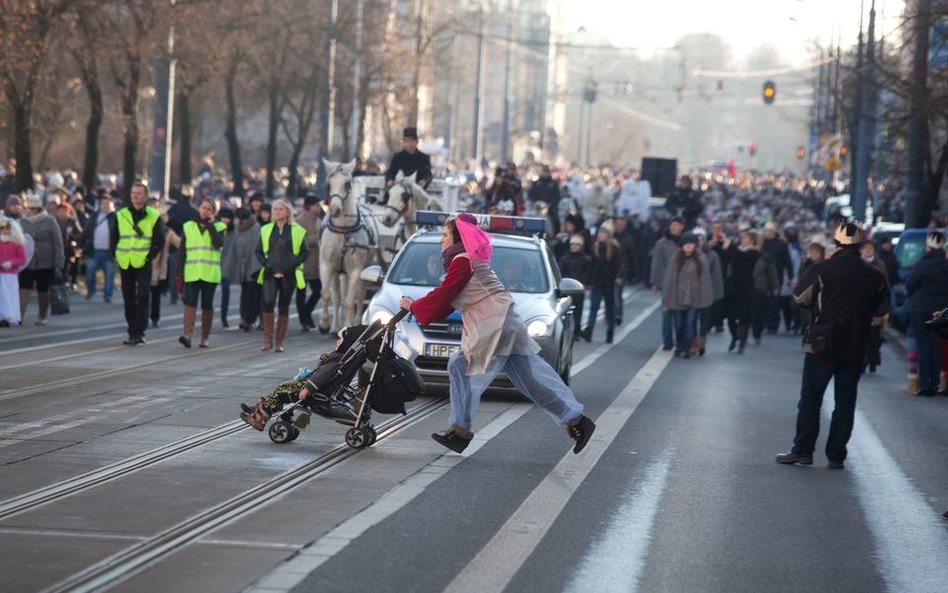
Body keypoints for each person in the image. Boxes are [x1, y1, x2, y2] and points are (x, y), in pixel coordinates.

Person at [399, 213, 595, 454]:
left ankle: (460, 430)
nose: (441, 240)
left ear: (457, 237)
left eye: (445, 234)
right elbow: (449, 300)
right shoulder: (467, 260)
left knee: (460, 366)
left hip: (496, 325)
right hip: (503, 323)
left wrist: (414, 307)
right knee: (531, 380)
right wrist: (421, 307)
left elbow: (443, 296)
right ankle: (576, 421)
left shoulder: (462, 261)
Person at [775, 223, 888, 469]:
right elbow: (883, 307)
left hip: (821, 341)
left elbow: (800, 297)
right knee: (845, 402)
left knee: (810, 399)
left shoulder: (822, 268)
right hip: (856, 342)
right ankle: (836, 455)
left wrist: (819, 308)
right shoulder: (874, 274)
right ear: (860, 245)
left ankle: (803, 450)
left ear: (836, 244)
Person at [113, 183, 165, 345]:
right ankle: (131, 331)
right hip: (125, 261)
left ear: (145, 197)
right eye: (133, 193)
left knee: (142, 296)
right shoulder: (121, 215)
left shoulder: (154, 216)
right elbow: (114, 237)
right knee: (128, 297)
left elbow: (159, 240)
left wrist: (150, 256)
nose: (135, 196)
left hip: (143, 262)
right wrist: (115, 253)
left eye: (139, 194)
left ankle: (141, 330)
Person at [256, 199, 308, 353]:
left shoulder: (296, 230)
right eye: (275, 209)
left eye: (280, 209)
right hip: (270, 273)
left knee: (284, 306)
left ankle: (279, 342)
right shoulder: (266, 229)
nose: (277, 212)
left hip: (289, 274)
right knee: (267, 302)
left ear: (287, 212)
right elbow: (258, 251)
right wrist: (265, 263)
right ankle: (267, 340)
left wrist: (292, 263)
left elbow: (305, 252)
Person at [176, 198, 225, 349]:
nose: (205, 211)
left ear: (214, 213)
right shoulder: (188, 226)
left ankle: (204, 337)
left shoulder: (220, 226)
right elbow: (182, 252)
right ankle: (187, 335)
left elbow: (218, 244)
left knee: (207, 305)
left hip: (210, 273)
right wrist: (179, 274)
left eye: (209, 209)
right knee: (190, 303)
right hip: (192, 272)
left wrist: (210, 225)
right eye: (203, 208)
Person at [905, 231, 948, 396]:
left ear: (928, 246)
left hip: (920, 310)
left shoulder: (922, 264)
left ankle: (925, 385)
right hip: (941, 312)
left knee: (923, 347)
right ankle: (935, 384)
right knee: (936, 347)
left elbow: (910, 286)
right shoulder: (946, 265)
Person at [662, 233, 713, 358]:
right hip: (677, 296)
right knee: (678, 324)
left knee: (690, 323)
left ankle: (687, 347)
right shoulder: (675, 259)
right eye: (686, 244)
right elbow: (669, 279)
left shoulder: (701, 260)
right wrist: (666, 297)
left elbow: (705, 281)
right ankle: (679, 345)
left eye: (691, 244)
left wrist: (705, 299)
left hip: (694, 297)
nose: (689, 246)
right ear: (682, 246)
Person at [19, 194, 64, 326]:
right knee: (24, 287)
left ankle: (42, 315)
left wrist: (59, 262)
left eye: (31, 208)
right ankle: (20, 315)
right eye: (27, 208)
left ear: (37, 209)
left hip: (46, 260)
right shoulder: (21, 222)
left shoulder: (49, 220)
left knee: (43, 289)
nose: (28, 211)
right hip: (28, 260)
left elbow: (57, 242)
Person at [583, 221, 623, 343]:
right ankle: (589, 331)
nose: (600, 235)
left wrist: (618, 277)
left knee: (609, 309)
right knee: (594, 307)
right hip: (597, 282)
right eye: (599, 232)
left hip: (609, 282)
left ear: (608, 235)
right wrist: (588, 282)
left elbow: (619, 265)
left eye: (603, 233)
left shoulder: (614, 248)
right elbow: (591, 266)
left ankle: (610, 332)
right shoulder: (594, 247)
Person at [650, 216, 685, 350]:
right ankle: (668, 341)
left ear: (682, 226)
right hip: (667, 283)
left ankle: (680, 340)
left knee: (679, 314)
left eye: (676, 225)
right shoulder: (662, 243)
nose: (674, 228)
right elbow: (657, 263)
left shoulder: (686, 242)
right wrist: (655, 282)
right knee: (666, 313)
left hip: (683, 283)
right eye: (672, 225)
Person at [149, 199, 180, 329]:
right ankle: (141, 318)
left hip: (157, 267)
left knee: (155, 294)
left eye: (156, 207)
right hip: (141, 265)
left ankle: (155, 318)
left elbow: (180, 243)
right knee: (141, 295)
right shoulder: (140, 225)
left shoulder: (166, 231)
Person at [860, 240, 889, 374]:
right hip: (860, 305)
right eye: (865, 248)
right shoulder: (858, 264)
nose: (867, 251)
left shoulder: (880, 265)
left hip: (875, 306)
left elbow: (885, 287)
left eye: (870, 248)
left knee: (873, 337)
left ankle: (871, 361)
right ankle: (864, 360)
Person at [295, 193, 322, 331]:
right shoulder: (299, 220)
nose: (319, 207)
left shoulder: (318, 220)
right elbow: (298, 240)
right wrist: (316, 239)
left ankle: (306, 313)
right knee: (301, 292)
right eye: (316, 205)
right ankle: (303, 320)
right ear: (309, 206)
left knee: (318, 291)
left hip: (316, 263)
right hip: (302, 263)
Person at [83, 194, 116, 303]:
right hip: (94, 251)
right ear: (100, 205)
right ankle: (90, 291)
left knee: (109, 276)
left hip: (110, 252)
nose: (105, 205)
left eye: (107, 203)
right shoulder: (94, 216)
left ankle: (107, 296)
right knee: (90, 272)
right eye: (103, 203)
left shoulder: (115, 217)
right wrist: (80, 245)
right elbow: (86, 232)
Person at [232, 207, 262, 332]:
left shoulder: (255, 228)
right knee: (245, 294)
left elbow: (256, 247)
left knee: (252, 294)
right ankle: (244, 318)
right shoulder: (237, 227)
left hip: (253, 266)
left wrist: (253, 266)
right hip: (243, 267)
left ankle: (248, 319)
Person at [559, 234, 592, 341]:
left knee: (578, 312)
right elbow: (560, 273)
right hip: (566, 289)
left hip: (579, 289)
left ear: (581, 246)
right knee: (566, 312)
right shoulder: (565, 258)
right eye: (572, 244)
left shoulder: (585, 259)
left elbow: (588, 274)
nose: (574, 246)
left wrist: (586, 284)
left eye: (577, 245)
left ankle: (576, 332)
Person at [0, 215, 28, 327]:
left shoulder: (17, 244)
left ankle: (13, 316)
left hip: (11, 274)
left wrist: (11, 263)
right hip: (1, 273)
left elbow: (22, 259)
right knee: (2, 296)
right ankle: (3, 316)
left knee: (11, 296)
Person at [216, 207, 235, 328]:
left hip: (226, 266)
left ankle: (224, 317)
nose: (225, 220)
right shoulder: (215, 229)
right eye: (223, 217)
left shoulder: (232, 232)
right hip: (212, 264)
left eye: (228, 218)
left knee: (226, 291)